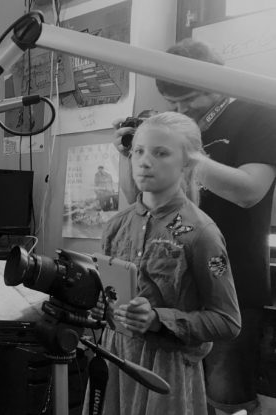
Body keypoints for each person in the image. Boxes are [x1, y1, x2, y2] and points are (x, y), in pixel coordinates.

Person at [114, 38, 276, 415]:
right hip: (170, 285)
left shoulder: (259, 113)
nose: (181, 110)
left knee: (225, 400)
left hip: (230, 284)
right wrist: (130, 154)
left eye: (188, 100)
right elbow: (135, 196)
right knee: (170, 397)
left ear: (214, 80)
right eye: (173, 104)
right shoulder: (176, 126)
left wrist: (182, 156)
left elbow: (250, 191)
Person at [84, 112, 241, 415]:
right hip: (114, 359)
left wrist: (159, 319)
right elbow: (108, 296)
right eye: (138, 151)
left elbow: (228, 321)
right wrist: (101, 305)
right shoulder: (116, 225)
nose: (144, 162)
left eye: (161, 153)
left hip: (166, 371)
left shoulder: (201, 233)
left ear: (187, 164)